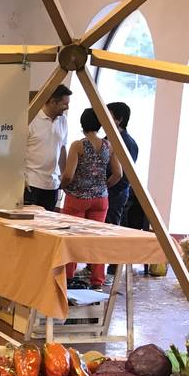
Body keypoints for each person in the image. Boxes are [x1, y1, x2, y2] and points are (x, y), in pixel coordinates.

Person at [61, 107, 124, 289]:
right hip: (100, 199)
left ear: (82, 124)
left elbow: (68, 175)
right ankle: (98, 281)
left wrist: (64, 187)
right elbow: (118, 173)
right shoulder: (108, 146)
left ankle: (67, 277)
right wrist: (104, 186)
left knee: (72, 238)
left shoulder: (78, 145)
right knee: (96, 240)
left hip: (77, 198)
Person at [24, 84, 71, 210]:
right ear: (52, 102)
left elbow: (62, 148)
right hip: (31, 183)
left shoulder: (63, 120)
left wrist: (64, 174)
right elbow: (15, 150)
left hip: (52, 185)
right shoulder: (31, 118)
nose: (67, 107)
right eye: (64, 103)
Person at [104, 102, 137, 227]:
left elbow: (125, 177)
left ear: (119, 119)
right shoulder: (109, 138)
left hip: (114, 195)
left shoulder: (127, 143)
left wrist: (105, 187)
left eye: (108, 115)